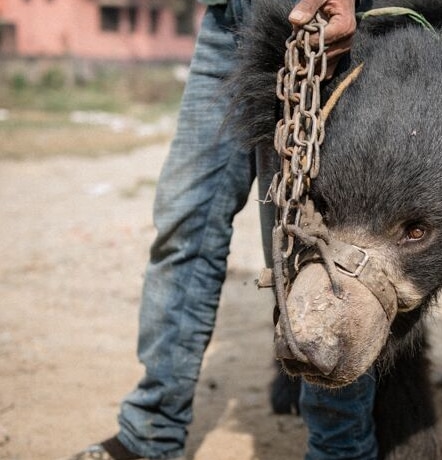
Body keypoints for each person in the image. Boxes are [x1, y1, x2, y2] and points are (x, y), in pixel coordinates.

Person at [67, 1, 378, 459]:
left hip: (309, 18)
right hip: (227, 22)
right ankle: (150, 434)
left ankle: (341, 450)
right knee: (184, 222)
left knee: (314, 244)